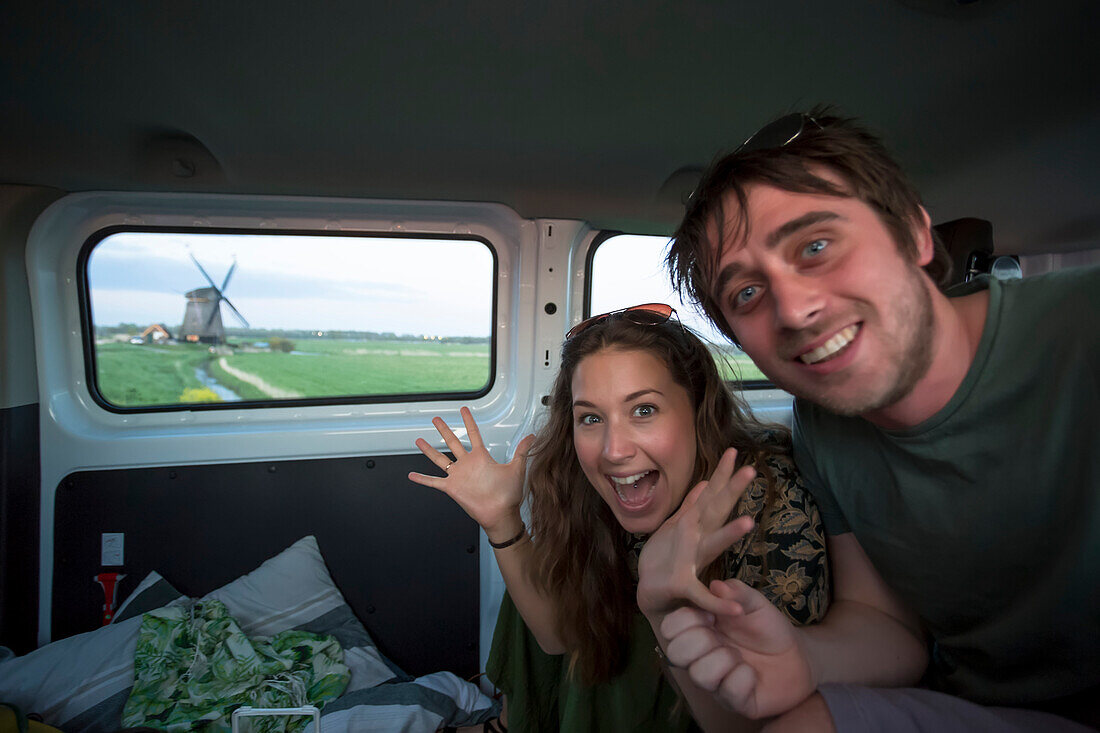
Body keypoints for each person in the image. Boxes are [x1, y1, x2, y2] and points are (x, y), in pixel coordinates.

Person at [660, 106, 1100, 731]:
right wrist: (803, 658)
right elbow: (885, 623)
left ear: (916, 235)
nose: (794, 309)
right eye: (748, 294)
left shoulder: (1084, 326)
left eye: (815, 246)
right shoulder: (822, 426)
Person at [408, 305, 829, 732]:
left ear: (699, 408)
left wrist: (665, 610)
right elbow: (558, 637)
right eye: (591, 418)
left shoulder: (769, 499)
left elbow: (769, 708)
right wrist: (501, 521)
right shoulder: (583, 490)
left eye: (643, 410)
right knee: (552, 571)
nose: (613, 450)